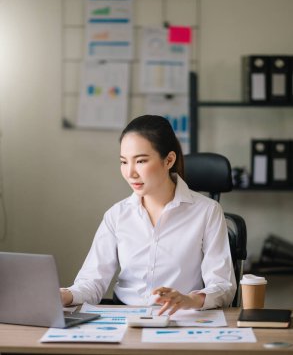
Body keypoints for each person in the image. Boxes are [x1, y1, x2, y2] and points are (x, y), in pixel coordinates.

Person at [60, 115, 236, 315]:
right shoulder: (117, 215)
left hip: (181, 318)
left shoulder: (207, 211)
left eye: (141, 161)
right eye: (124, 162)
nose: (130, 173)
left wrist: (188, 299)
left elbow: (223, 286)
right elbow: (92, 282)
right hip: (124, 319)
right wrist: (64, 295)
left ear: (169, 160)